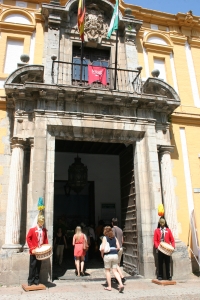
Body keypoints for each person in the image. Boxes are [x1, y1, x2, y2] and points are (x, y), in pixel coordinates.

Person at [100, 226, 124, 293]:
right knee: (115, 270)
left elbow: (102, 248)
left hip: (108, 255)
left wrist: (102, 254)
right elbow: (118, 247)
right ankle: (121, 284)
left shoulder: (105, 238)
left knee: (107, 271)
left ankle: (109, 286)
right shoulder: (115, 238)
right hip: (115, 255)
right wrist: (114, 249)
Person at [26, 215, 48, 286]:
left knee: (38, 266)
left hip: (40, 251)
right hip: (34, 251)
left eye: (42, 223)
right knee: (32, 266)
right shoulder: (32, 230)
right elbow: (28, 238)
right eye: (40, 222)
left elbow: (45, 240)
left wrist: (46, 248)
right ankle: (30, 280)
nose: (41, 224)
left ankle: (36, 280)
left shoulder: (44, 230)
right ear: (37, 222)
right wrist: (31, 248)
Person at [154, 216, 175, 281]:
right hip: (160, 249)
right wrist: (158, 247)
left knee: (167, 262)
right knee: (160, 263)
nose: (162, 224)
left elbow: (172, 240)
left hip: (167, 250)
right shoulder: (156, 231)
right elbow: (155, 240)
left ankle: (168, 276)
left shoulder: (168, 230)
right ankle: (160, 275)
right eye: (161, 222)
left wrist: (172, 247)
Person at [112, 218, 126, 284]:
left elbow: (113, 239)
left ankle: (121, 277)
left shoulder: (113, 230)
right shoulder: (120, 230)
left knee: (115, 264)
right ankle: (117, 278)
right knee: (118, 264)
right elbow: (122, 240)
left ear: (112, 223)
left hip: (116, 249)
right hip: (121, 248)